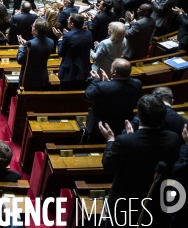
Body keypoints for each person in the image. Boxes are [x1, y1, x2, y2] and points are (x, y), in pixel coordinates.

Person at [100, 95, 180, 226]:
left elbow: (109, 166)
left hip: (125, 206)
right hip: (155, 204)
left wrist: (111, 141)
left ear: (139, 116)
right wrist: (131, 138)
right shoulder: (173, 139)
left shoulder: (124, 141)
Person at [85, 58, 142, 143]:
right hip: (124, 125)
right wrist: (107, 83)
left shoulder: (103, 87)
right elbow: (117, 92)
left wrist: (96, 80)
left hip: (103, 127)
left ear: (114, 72)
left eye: (111, 68)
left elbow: (87, 95)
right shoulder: (137, 84)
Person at [52, 13, 92, 90]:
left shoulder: (68, 36)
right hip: (83, 70)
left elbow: (61, 53)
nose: (67, 21)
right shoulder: (88, 33)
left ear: (72, 24)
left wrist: (60, 38)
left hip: (69, 72)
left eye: (69, 20)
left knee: (65, 94)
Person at [16, 19, 54, 90]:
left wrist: (21, 46)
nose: (31, 27)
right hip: (43, 78)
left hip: (28, 79)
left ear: (36, 31)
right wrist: (27, 45)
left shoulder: (30, 44)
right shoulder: (51, 42)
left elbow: (20, 60)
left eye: (33, 26)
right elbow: (39, 48)